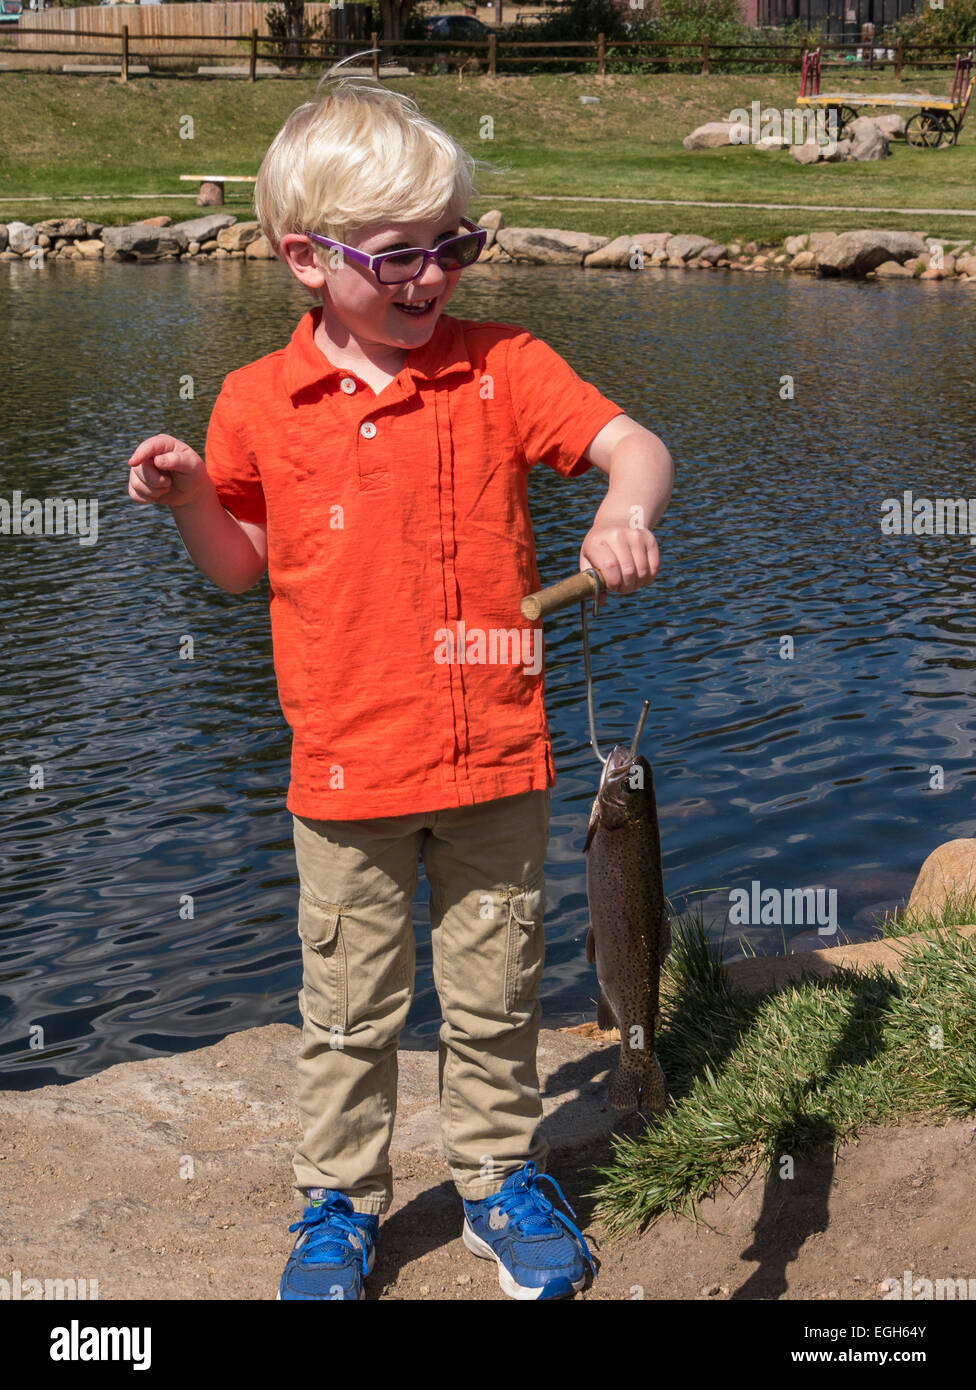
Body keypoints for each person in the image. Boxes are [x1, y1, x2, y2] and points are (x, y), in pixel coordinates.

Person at [126, 74, 673, 1302]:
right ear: (305, 260)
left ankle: (493, 1177)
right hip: (344, 770)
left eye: (454, 249)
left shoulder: (503, 369)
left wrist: (623, 515)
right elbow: (236, 575)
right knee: (348, 1010)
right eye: (397, 257)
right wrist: (192, 502)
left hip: (497, 764)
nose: (430, 278)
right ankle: (340, 1202)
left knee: (494, 996)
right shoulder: (257, 404)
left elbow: (634, 446)